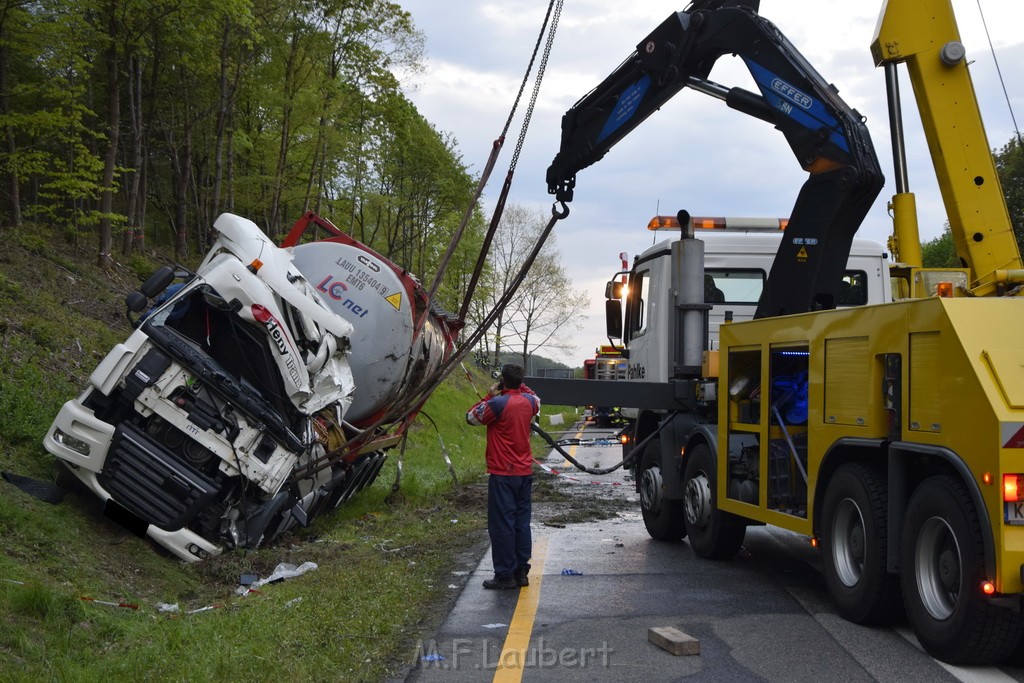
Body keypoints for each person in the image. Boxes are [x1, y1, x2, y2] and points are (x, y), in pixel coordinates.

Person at [466, 363, 541, 589]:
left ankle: (504, 574)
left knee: (502, 525)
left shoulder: (496, 404)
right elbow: (535, 397)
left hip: (502, 473)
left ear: (502, 381)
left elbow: (471, 418)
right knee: (521, 523)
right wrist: (519, 386)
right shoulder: (530, 402)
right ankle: (521, 572)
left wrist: (489, 394)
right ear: (520, 381)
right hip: (524, 472)